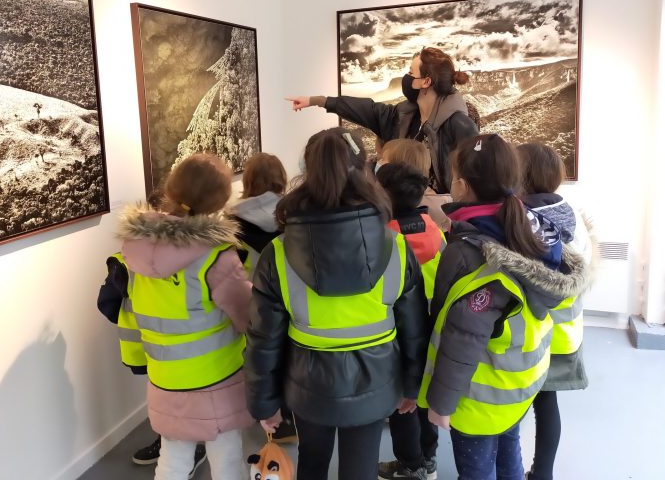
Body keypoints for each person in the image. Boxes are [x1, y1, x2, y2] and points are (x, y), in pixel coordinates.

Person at [245, 127, 430, 480]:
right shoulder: (397, 246)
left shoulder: (278, 253)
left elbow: (262, 339)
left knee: (311, 463)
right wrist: (412, 384)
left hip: (308, 385)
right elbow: (414, 328)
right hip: (376, 383)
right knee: (360, 469)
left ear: (305, 170)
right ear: (365, 169)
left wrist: (263, 402)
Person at [418, 134, 589, 480]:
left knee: (477, 470)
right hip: (520, 383)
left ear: (461, 186)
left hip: (480, 395)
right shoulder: (533, 229)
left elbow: (463, 336)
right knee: (509, 451)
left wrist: (441, 404)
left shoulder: (469, 251)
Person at [97, 153, 253, 480]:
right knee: (225, 459)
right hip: (216, 377)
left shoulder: (134, 250)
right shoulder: (215, 255)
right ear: (220, 201)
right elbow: (248, 315)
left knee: (173, 459)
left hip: (165, 375)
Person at [286, 46, 478, 193]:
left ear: (426, 82)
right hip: (398, 212)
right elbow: (364, 108)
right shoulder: (401, 116)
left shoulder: (459, 125)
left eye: (411, 73)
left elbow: (473, 180)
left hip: (440, 223)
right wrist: (317, 101)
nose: (406, 78)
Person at [517, 143, 595, 480]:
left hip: (533, 332)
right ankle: (543, 473)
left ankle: (504, 467)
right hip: (565, 332)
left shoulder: (521, 219)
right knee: (547, 407)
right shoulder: (573, 214)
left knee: (514, 406)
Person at [375, 162, 445, 480]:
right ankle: (428, 459)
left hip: (400, 328)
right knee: (424, 393)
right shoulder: (433, 229)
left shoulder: (386, 236)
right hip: (433, 323)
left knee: (401, 402)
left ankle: (410, 464)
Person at [225, 152, 298, 445]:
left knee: (260, 357)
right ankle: (292, 415)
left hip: (254, 298)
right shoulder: (293, 214)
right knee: (292, 354)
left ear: (248, 180)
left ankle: (270, 416)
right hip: (293, 296)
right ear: (282, 178)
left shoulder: (230, 222)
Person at [378, 138, 452, 231]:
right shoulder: (441, 204)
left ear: (397, 170)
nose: (379, 162)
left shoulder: (396, 202)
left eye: (383, 159)